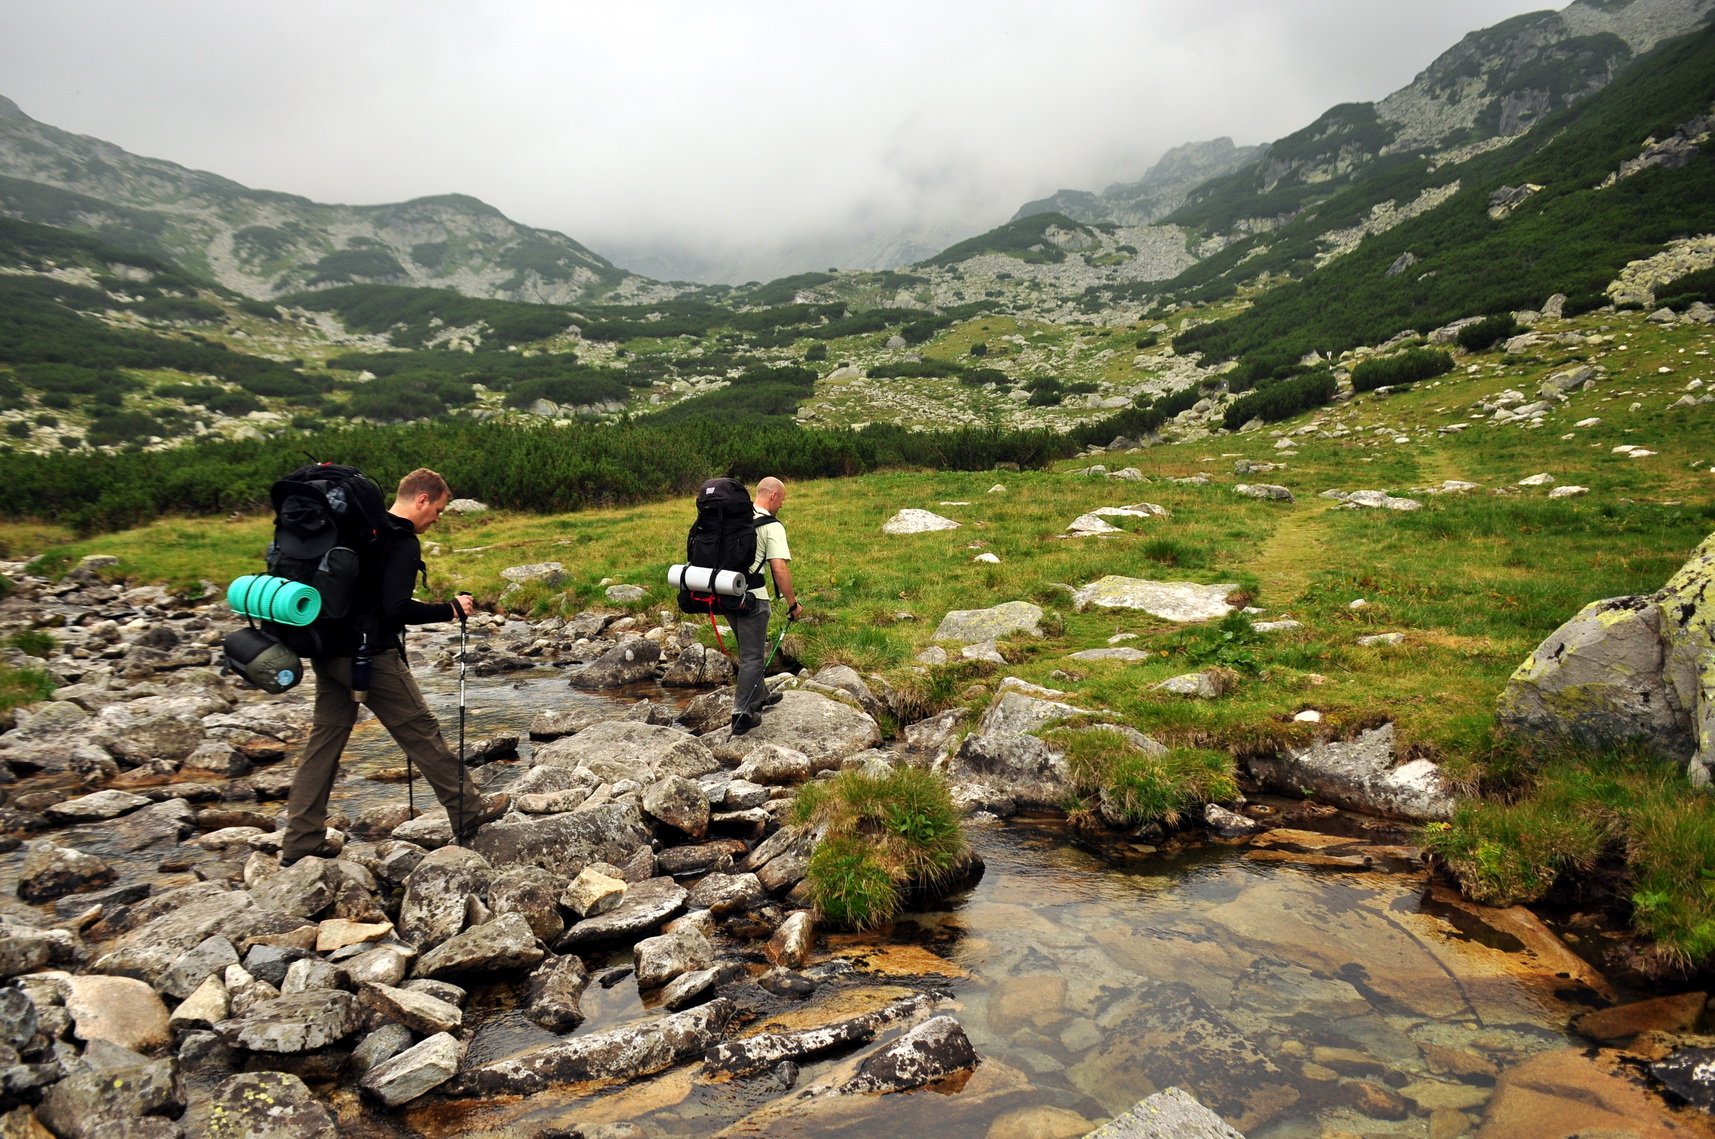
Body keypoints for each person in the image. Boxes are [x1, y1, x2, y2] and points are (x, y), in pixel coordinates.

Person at [280, 468, 508, 865]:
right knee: (422, 733)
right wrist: (450, 610)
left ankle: (301, 840)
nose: (436, 519)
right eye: (437, 510)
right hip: (371, 659)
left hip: (328, 652)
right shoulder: (400, 542)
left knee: (323, 744)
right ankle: (469, 812)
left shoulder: (359, 530)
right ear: (421, 500)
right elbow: (396, 609)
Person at [730, 475, 803, 735]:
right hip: (753, 598)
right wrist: (793, 603)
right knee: (752, 656)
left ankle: (761, 694)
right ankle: (742, 713)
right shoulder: (771, 525)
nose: (781, 505)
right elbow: (779, 567)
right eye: (781, 500)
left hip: (726, 592)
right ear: (773, 496)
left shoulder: (734, 516)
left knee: (746, 647)